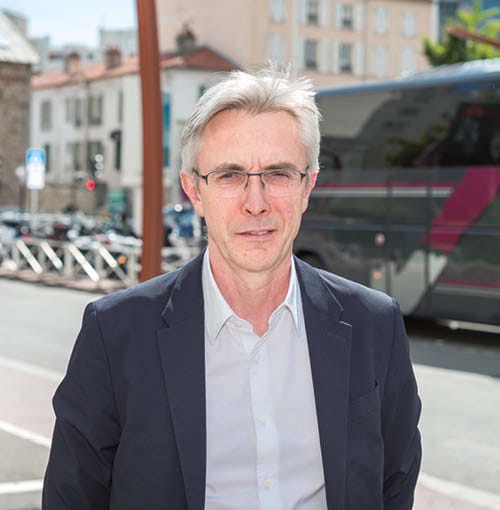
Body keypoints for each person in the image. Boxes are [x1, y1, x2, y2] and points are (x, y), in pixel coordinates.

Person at [42, 69, 421, 510]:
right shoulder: (114, 334)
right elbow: (72, 498)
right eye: (229, 175)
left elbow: (395, 483)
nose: (255, 202)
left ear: (308, 186)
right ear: (193, 191)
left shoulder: (376, 324)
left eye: (278, 173)